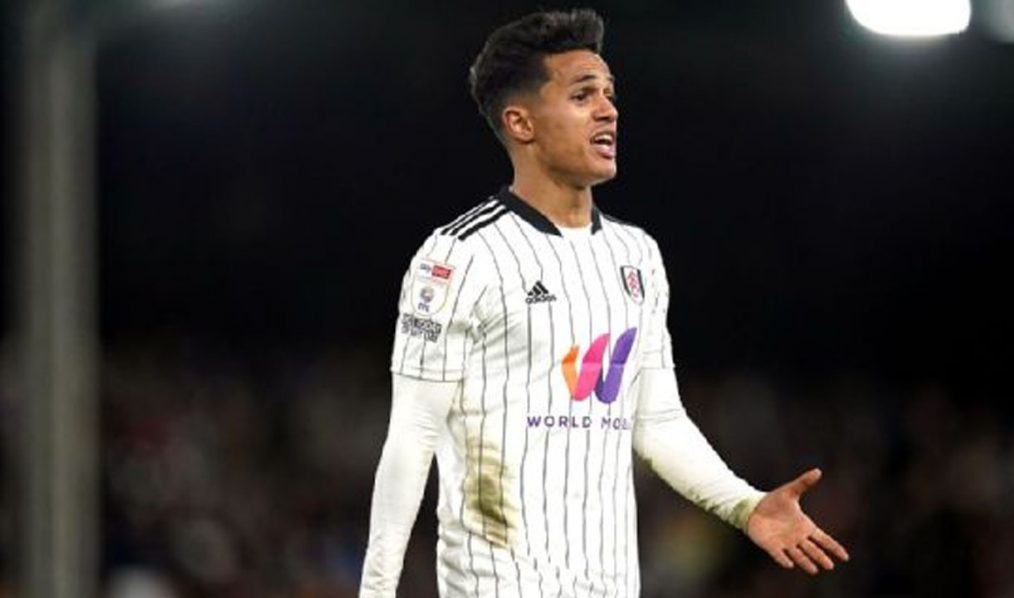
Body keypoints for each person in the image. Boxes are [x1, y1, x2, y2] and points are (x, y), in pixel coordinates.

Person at [360, 8, 849, 597]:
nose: (608, 110)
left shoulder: (637, 255)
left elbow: (657, 422)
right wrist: (376, 591)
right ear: (521, 122)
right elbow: (413, 435)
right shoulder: (458, 257)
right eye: (582, 95)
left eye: (610, 94)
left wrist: (745, 506)